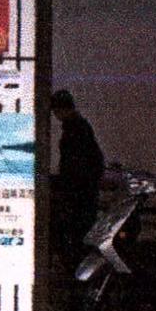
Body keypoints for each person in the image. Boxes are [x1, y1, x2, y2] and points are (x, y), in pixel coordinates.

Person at [50, 88, 105, 260]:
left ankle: (75, 264)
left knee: (75, 231)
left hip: (78, 191)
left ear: (61, 109)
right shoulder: (80, 126)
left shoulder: (74, 129)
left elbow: (73, 163)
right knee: (81, 232)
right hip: (84, 190)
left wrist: (64, 184)